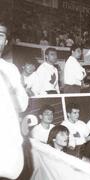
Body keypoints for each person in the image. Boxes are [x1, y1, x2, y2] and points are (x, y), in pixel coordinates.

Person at [0, 23, 28, 179]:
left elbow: (22, 104)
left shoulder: (11, 69)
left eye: (0, 35)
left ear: (5, 42)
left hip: (7, 146)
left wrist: (10, 89)